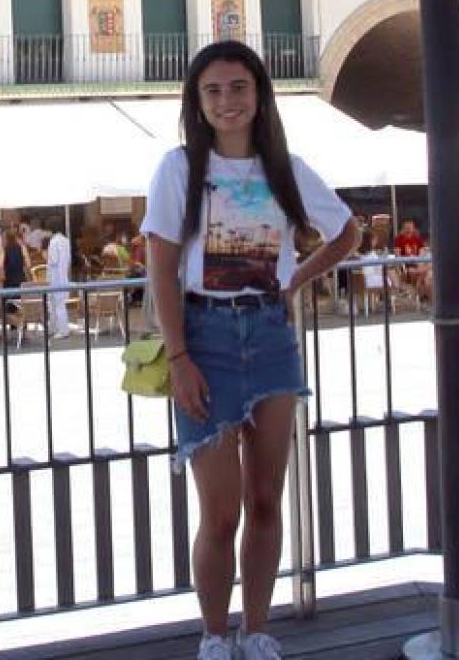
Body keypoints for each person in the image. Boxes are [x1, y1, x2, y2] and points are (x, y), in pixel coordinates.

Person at [144, 40, 361, 660]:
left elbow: (346, 231)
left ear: (259, 94)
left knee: (267, 497)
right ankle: (214, 634)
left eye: (238, 88)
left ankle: (258, 628)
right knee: (220, 511)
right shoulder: (177, 169)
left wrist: (295, 278)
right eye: (212, 91)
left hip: (269, 337)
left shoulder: (284, 167)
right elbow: (160, 269)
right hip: (203, 338)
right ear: (197, 102)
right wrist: (179, 357)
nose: (227, 101)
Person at [46, 220, 73, 338]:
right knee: (59, 304)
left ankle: (62, 330)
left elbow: (53, 260)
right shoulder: (66, 241)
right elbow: (68, 259)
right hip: (64, 276)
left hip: (54, 276)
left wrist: (45, 256)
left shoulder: (53, 241)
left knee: (55, 305)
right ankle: (54, 328)